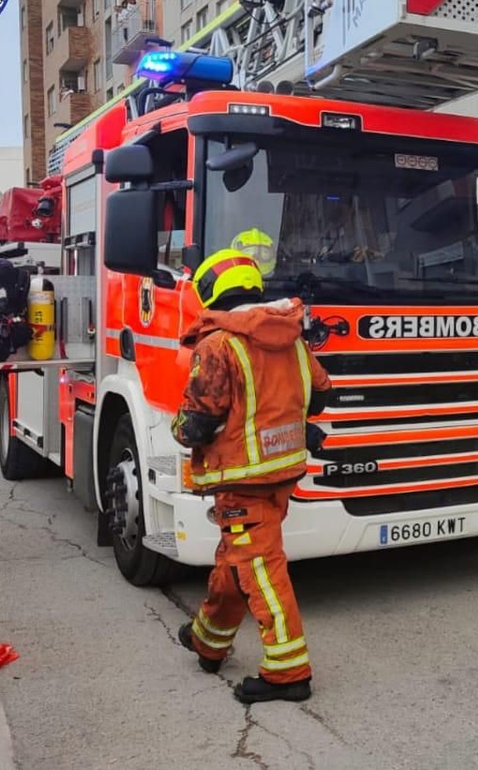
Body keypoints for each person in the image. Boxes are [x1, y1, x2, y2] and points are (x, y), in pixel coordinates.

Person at [172, 249, 332, 704]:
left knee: (259, 568)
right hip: (282, 473)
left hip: (241, 478)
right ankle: (208, 640)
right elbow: (320, 395)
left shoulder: (218, 345)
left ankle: (288, 673)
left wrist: (177, 427)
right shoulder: (291, 337)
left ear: (211, 294)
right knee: (236, 560)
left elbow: (197, 425)